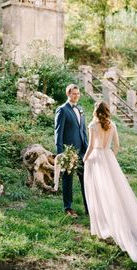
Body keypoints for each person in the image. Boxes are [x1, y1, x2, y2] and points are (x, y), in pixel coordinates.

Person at [83, 102, 137, 265]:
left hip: (96, 159)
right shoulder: (113, 125)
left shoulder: (92, 125)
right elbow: (117, 145)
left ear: (95, 111)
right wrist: (111, 157)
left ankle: (104, 228)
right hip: (109, 158)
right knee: (116, 192)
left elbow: (89, 146)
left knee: (99, 193)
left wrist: (84, 159)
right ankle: (113, 224)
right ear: (107, 111)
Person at [55, 84, 88, 217]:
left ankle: (89, 207)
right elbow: (58, 132)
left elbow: (83, 130)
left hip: (82, 151)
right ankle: (68, 208)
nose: (77, 96)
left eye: (78, 93)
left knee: (85, 179)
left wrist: (87, 148)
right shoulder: (62, 110)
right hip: (69, 152)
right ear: (68, 94)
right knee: (68, 180)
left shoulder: (80, 109)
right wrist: (60, 153)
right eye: (74, 93)